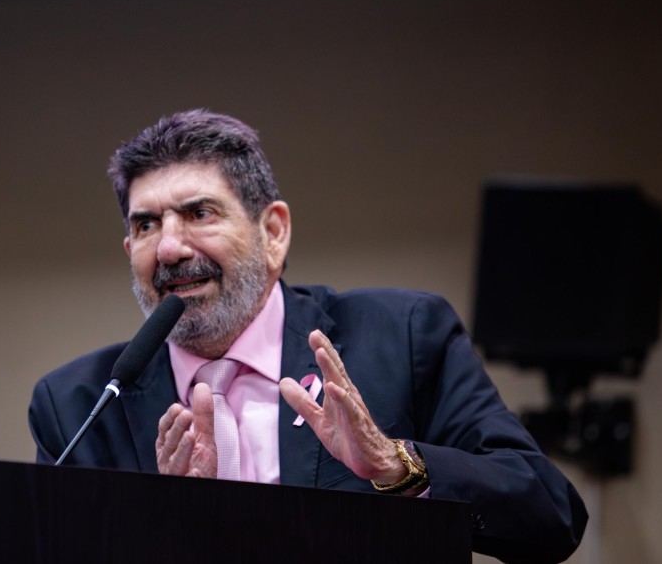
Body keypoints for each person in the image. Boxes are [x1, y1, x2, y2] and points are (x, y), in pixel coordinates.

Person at [29, 109, 587, 563]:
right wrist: (166, 528)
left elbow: (551, 516)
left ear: (272, 233)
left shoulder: (403, 337)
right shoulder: (78, 407)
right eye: (146, 224)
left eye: (199, 213)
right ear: (131, 252)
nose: (170, 248)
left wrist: (396, 466)